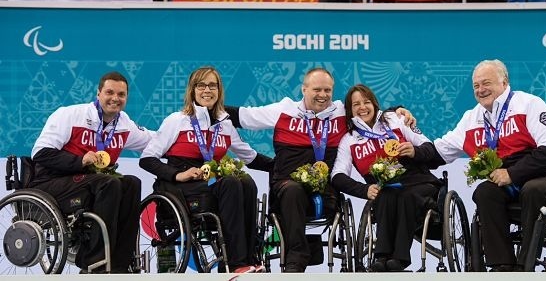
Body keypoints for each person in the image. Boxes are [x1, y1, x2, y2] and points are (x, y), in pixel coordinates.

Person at [225, 67, 414, 273]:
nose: (323, 95)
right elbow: (239, 116)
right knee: (293, 190)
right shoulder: (283, 110)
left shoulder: (343, 113)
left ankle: (300, 254)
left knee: (301, 192)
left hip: (326, 194)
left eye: (327, 90)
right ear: (303, 89)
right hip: (286, 189)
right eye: (317, 90)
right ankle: (296, 259)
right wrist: (201, 108)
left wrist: (399, 110)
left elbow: (371, 113)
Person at [418, 59, 546, 272]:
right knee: (485, 192)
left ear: (504, 82)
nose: (481, 90)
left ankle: (525, 266)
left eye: (486, 83)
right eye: (476, 86)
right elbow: (438, 152)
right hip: (508, 182)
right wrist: (409, 145)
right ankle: (502, 265)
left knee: (533, 189)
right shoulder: (471, 119)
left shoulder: (528, 104)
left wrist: (512, 173)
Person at [139, 66, 274, 274]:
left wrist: (281, 167)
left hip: (210, 186)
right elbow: (147, 159)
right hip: (180, 187)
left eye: (212, 85)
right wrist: (178, 174)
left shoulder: (224, 123)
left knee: (246, 182)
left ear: (219, 91)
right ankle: (235, 263)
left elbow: (250, 156)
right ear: (192, 90)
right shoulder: (177, 120)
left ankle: (248, 258)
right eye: (201, 85)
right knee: (229, 183)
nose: (207, 90)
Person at [30, 71, 155, 273]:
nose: (115, 98)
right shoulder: (70, 115)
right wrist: (80, 161)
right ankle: (94, 262)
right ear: (98, 93)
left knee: (132, 183)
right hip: (51, 182)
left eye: (121, 95)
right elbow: (40, 153)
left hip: (90, 183)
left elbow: (157, 140)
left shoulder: (124, 124)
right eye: (109, 92)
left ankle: (121, 263)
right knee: (108, 182)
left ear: (126, 98)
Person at [330, 84, 442, 272]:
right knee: (385, 196)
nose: (362, 107)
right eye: (356, 104)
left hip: (418, 181)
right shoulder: (348, 139)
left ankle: (399, 259)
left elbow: (430, 149)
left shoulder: (394, 119)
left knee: (406, 196)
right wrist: (363, 190)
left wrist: (414, 151)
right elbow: (337, 176)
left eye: (366, 102)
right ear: (349, 110)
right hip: (385, 187)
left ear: (374, 103)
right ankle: (381, 256)